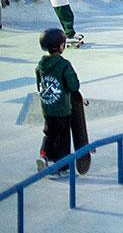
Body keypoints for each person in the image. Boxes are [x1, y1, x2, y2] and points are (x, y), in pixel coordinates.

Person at [35, 28, 81, 177]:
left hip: (47, 108)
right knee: (62, 137)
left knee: (49, 133)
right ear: (61, 46)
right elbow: (73, 85)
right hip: (62, 109)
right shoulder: (64, 65)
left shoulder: (40, 65)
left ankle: (44, 155)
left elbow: (39, 85)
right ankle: (61, 167)